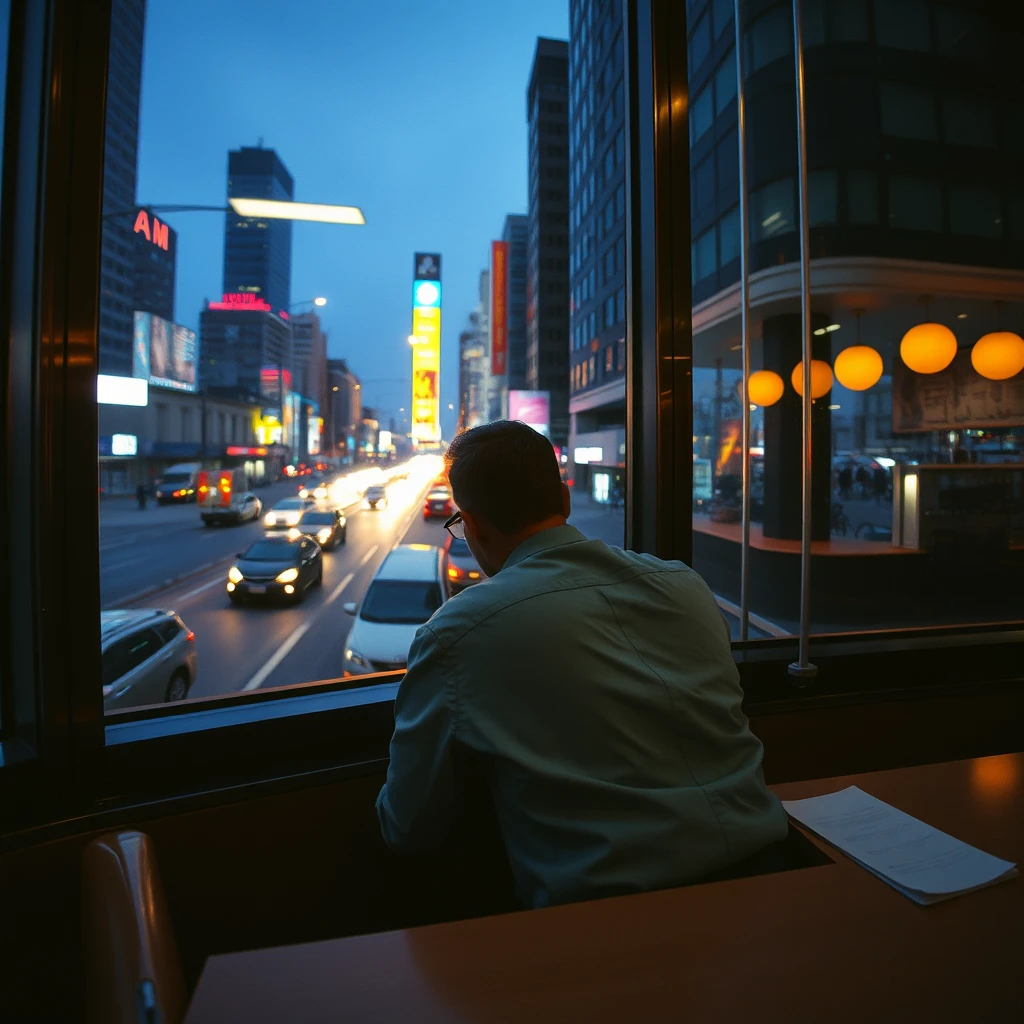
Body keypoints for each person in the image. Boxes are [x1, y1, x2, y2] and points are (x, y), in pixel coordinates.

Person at [377, 420, 788, 909]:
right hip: (775, 879)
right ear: (565, 502)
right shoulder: (684, 586)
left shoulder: (458, 633)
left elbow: (407, 825)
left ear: (472, 526)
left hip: (604, 920)